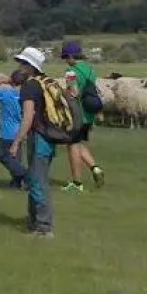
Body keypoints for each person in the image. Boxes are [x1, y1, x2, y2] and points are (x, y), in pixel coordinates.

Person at [7, 47, 56, 238]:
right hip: (49, 137)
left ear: (29, 66)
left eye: (22, 63)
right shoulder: (45, 82)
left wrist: (16, 142)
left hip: (38, 137)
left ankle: (44, 228)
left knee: (37, 182)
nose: (19, 66)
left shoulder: (30, 86)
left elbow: (28, 116)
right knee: (38, 179)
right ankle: (33, 223)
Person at [60, 41, 105, 191]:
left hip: (77, 114)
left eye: (66, 57)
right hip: (89, 114)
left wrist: (62, 94)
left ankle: (77, 183)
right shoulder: (91, 70)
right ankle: (95, 168)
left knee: (72, 145)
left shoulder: (71, 72)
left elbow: (73, 93)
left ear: (72, 56)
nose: (66, 60)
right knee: (78, 144)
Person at [0, 70, 29, 189]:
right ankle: (15, 183)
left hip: (7, 131)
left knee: (3, 156)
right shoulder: (24, 96)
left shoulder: (6, 94)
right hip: (20, 131)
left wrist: (0, 81)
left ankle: (27, 176)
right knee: (16, 158)